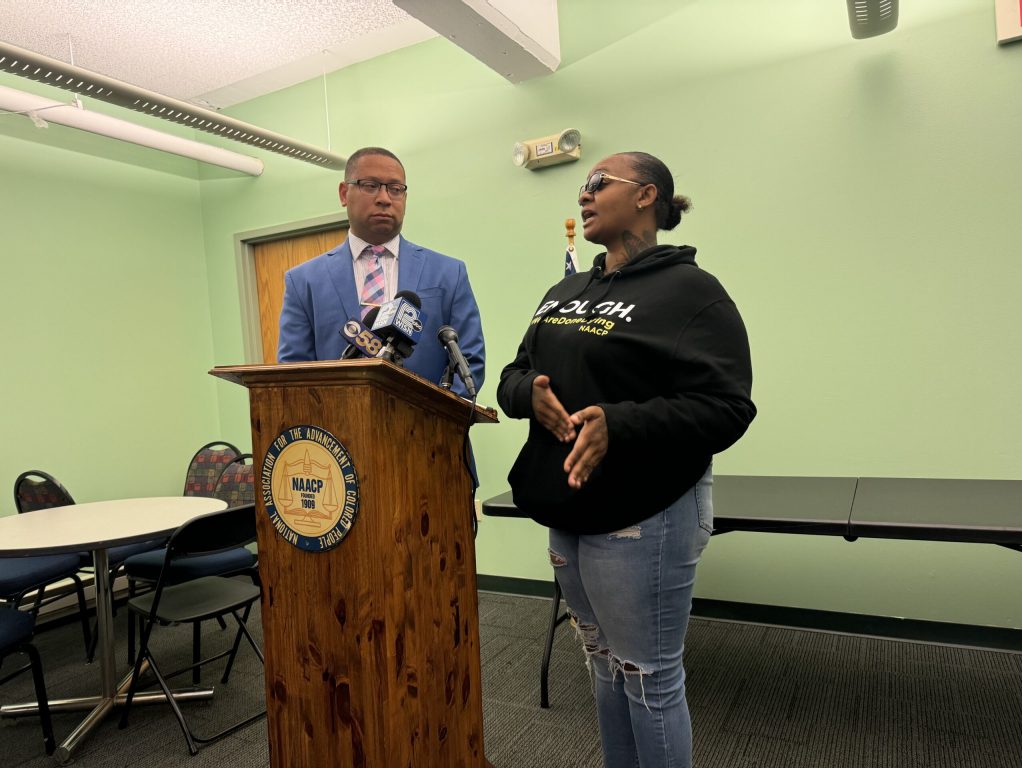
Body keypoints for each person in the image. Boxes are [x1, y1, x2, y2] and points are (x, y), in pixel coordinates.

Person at [497, 151, 755, 767]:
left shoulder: (693, 293)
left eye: (595, 183)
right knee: (604, 665)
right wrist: (525, 395)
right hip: (568, 506)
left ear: (645, 196)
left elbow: (727, 406)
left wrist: (621, 423)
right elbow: (515, 372)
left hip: (646, 511)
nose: (582, 195)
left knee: (647, 676)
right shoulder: (566, 290)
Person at [277, 146, 485, 397]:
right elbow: (294, 372)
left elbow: (469, 360)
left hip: (430, 429)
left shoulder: (449, 273)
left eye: (395, 189)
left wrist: (434, 420)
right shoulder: (304, 281)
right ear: (344, 193)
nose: (385, 198)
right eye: (371, 185)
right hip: (339, 432)